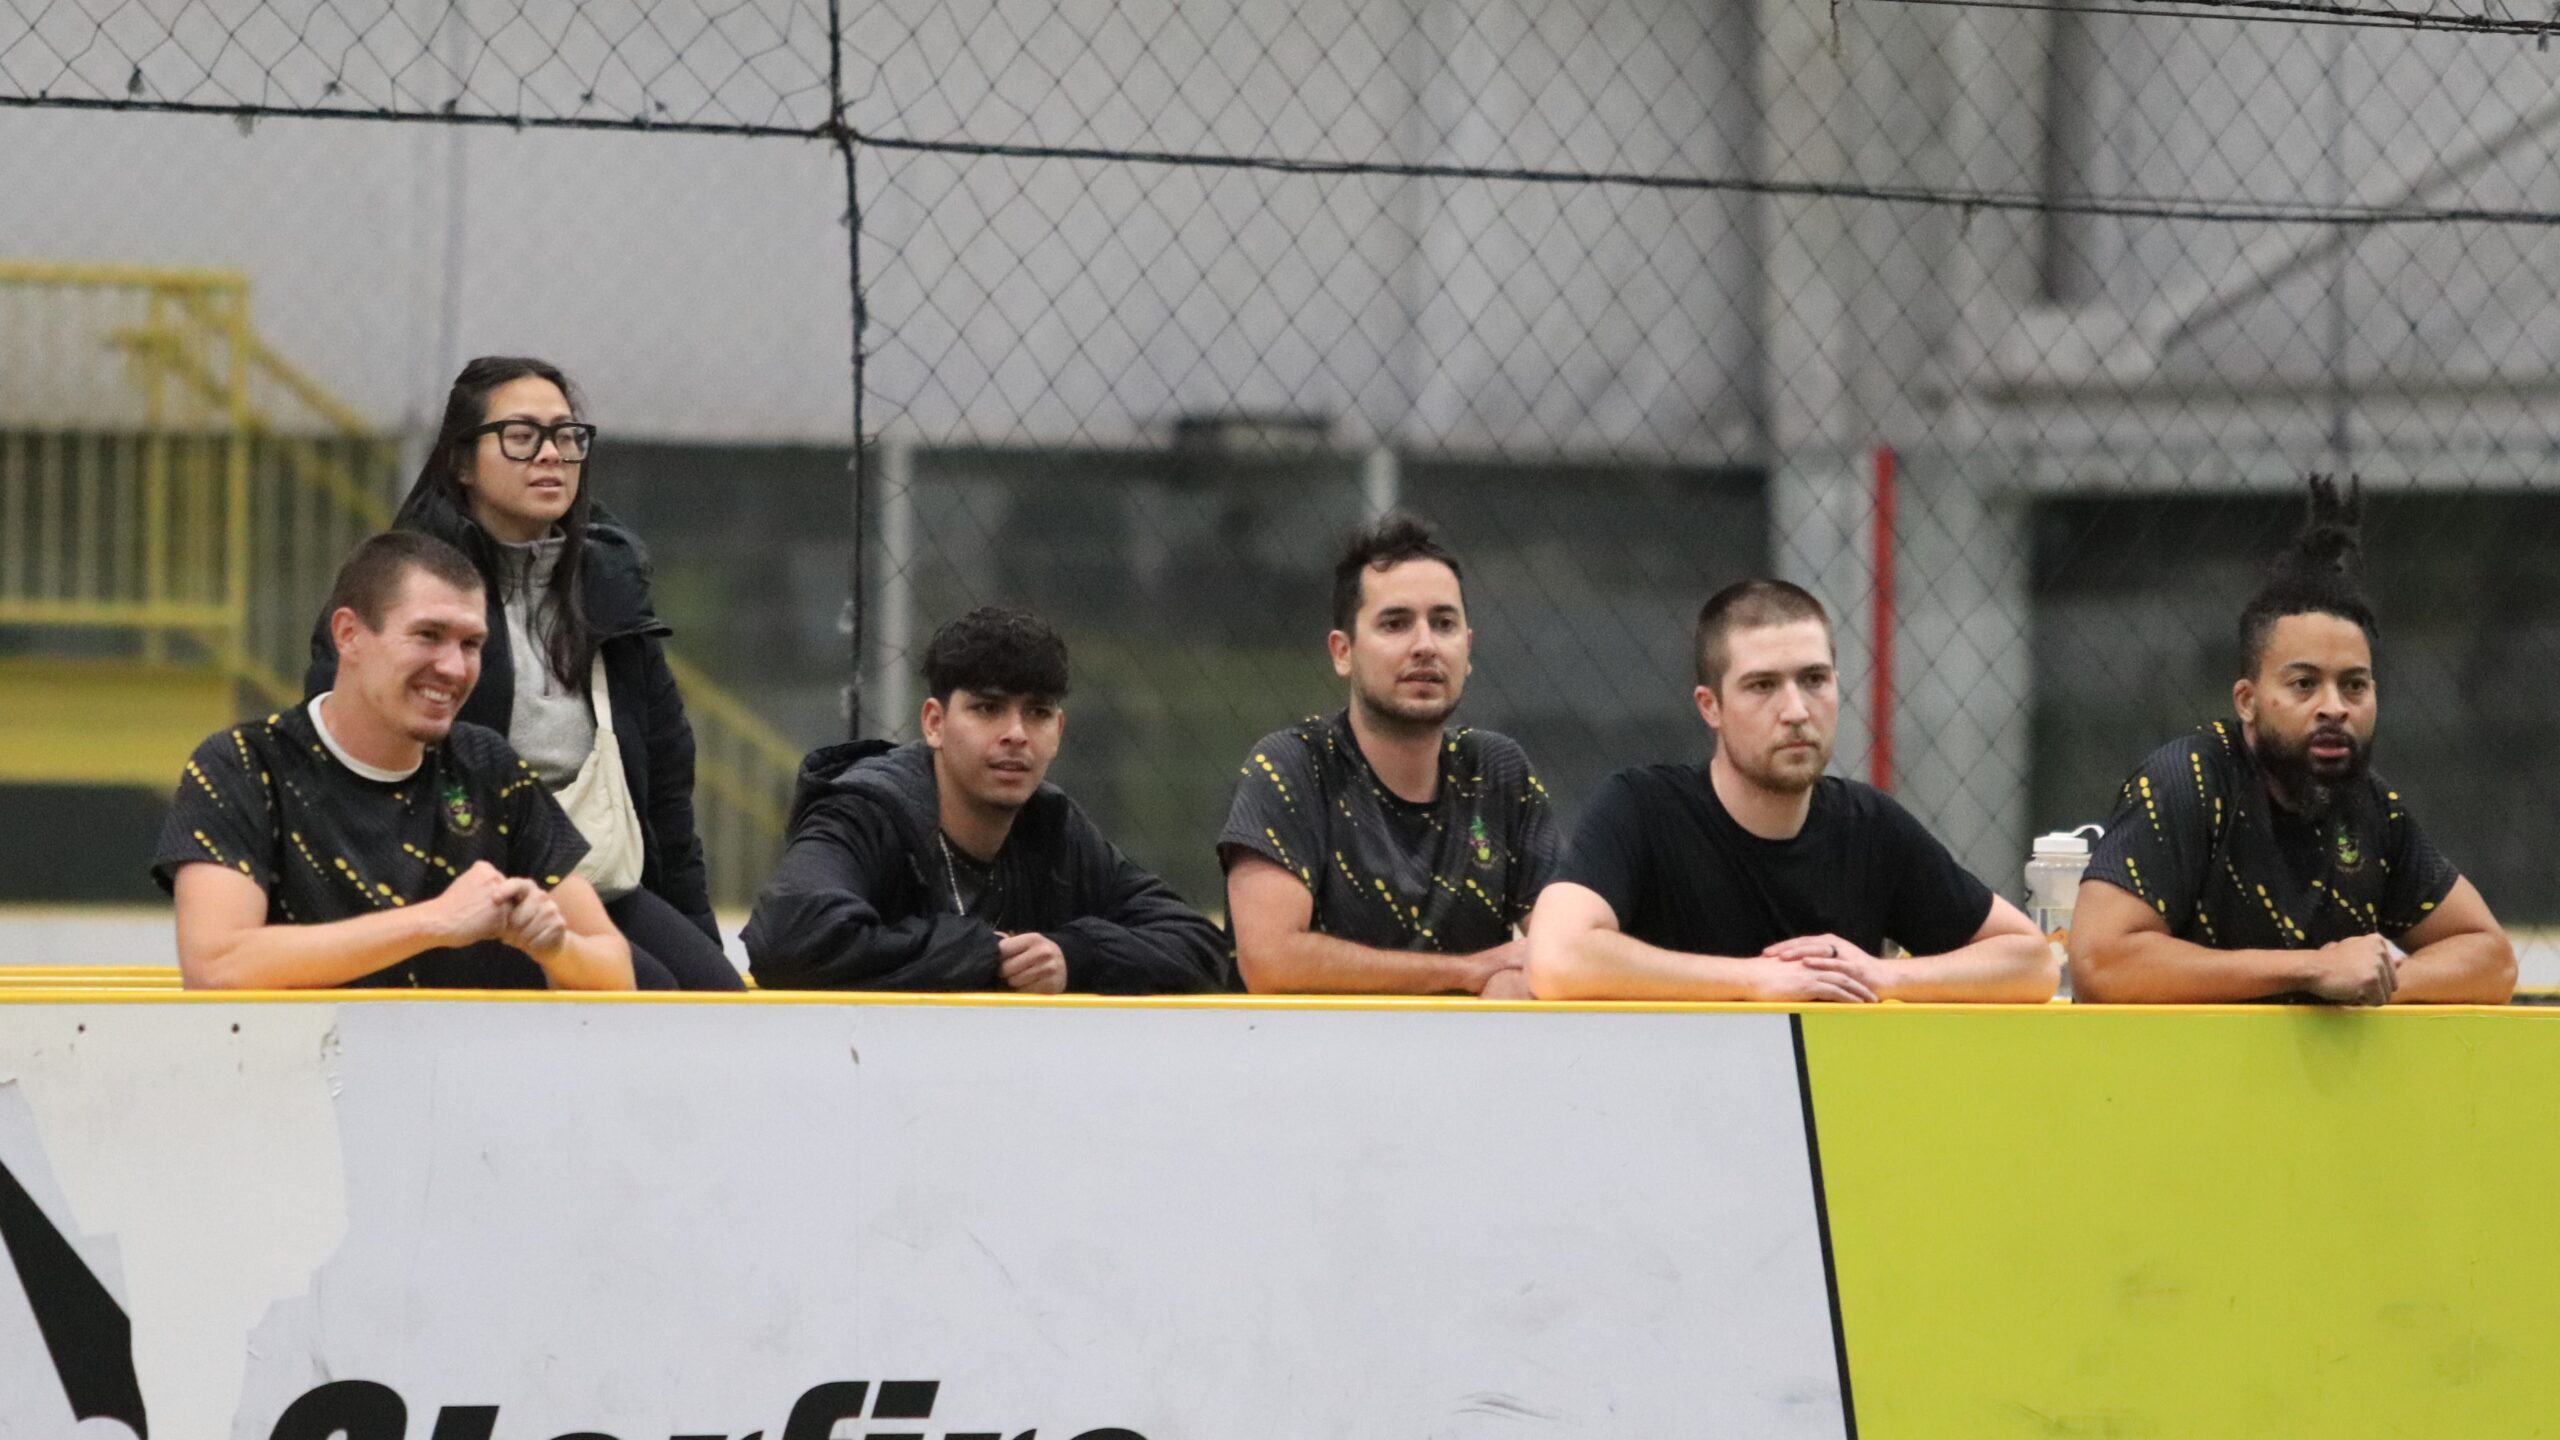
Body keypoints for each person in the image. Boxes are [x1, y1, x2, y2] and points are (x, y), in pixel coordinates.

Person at [306, 356, 740, 991]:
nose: (551, 455)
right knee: (646, 998)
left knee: (718, 1002)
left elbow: (666, 789)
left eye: (566, 435)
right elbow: (345, 754)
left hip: (599, 878)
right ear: (462, 462)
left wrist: (698, 938)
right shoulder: (401, 592)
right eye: (521, 436)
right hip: (469, 892)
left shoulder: (611, 588)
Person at [2068, 477, 2514, 1005]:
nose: (2334, 707)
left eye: (2354, 685)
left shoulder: (2371, 808)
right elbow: (2099, 963)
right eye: (2304, 684)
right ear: (2246, 700)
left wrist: (2367, 986)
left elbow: (2491, 957)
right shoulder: (2187, 782)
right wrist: (2310, 971)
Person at [1527, 580, 2054, 1003]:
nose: (1797, 710)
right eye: (1763, 686)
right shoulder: (1643, 808)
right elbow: (1555, 958)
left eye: (1814, 680)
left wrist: (1882, 976)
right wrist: (1753, 980)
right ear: (1710, 706)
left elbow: (2032, 963)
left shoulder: (1869, 825)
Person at [156, 532, 635, 990]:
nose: (453, 668)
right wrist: (435, 921)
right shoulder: (245, 765)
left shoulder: (489, 766)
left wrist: (555, 946)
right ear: (348, 635)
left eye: (471, 644)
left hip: (468, 1050)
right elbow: (216, 966)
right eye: (428, 635)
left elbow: (616, 971)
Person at [743, 606, 1228, 993]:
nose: (1016, 734)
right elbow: (787, 939)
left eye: (1037, 713)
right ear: (934, 723)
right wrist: (983, 953)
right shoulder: (865, 812)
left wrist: (1075, 955)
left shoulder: (1051, 826)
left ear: (1058, 731)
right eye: (988, 708)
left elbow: (1200, 946)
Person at [1218, 514, 1560, 997]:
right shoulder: (1292, 767)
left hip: (1467, 1047)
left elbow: (1566, 948)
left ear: (1467, 649)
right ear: (1343, 652)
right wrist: (1468, 971)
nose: (1425, 645)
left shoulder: (1498, 771)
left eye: (1443, 624)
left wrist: (1512, 981)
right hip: (1312, 1047)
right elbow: (1271, 962)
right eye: (1395, 624)